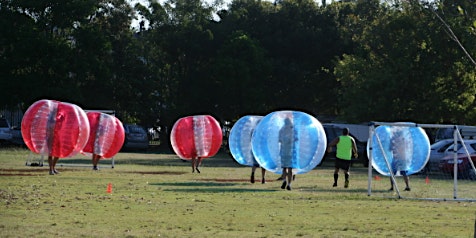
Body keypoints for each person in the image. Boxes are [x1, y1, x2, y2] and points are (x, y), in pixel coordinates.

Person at [279, 118, 295, 190]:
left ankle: (284, 180)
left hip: (283, 152)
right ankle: (289, 184)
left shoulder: (281, 130)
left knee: (284, 168)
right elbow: (296, 140)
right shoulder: (293, 131)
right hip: (290, 152)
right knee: (290, 169)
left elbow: (279, 140)